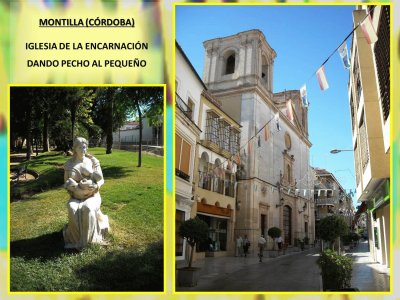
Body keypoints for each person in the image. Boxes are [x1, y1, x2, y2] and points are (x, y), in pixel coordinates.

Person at [63, 137, 109, 249]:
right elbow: (65, 183)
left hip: (92, 195)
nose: (83, 149)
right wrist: (70, 186)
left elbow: (101, 179)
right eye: (80, 147)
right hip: (76, 196)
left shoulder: (92, 161)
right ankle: (74, 240)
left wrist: (96, 185)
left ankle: (86, 242)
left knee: (88, 208)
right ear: (75, 149)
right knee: (72, 208)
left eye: (84, 147)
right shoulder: (69, 165)